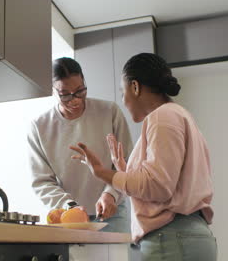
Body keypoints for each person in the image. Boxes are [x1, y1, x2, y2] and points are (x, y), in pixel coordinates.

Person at [70, 53, 217, 260]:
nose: (124, 100)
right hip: (184, 237)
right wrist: (124, 171)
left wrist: (104, 173)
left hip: (172, 239)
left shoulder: (162, 117)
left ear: (135, 87)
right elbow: (167, 184)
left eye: (123, 92)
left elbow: (157, 186)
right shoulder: (179, 115)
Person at [27, 57, 133, 232]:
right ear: (52, 91)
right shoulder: (40, 126)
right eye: (65, 95)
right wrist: (70, 206)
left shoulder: (109, 112)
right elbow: (42, 181)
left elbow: (125, 161)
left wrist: (111, 194)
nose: (74, 100)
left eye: (80, 91)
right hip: (69, 217)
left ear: (84, 81)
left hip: (111, 211)